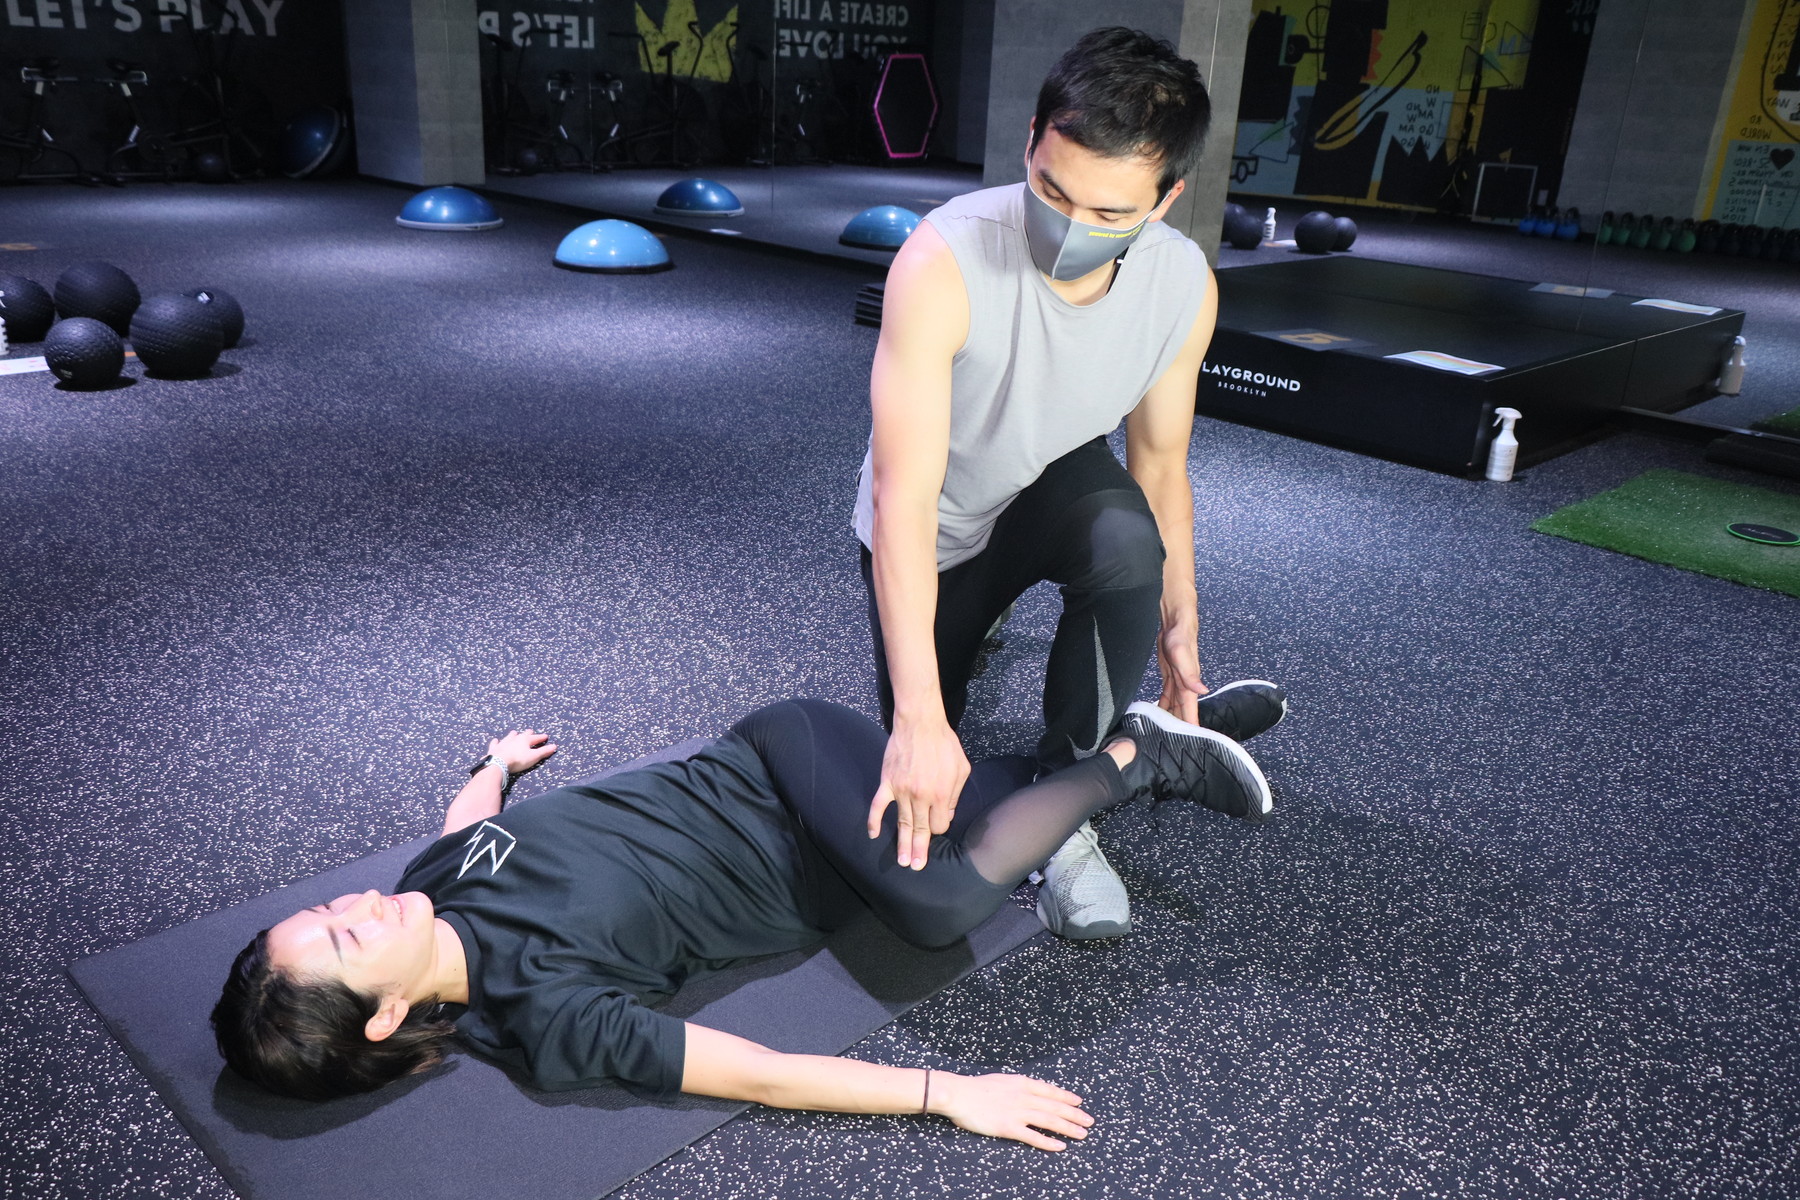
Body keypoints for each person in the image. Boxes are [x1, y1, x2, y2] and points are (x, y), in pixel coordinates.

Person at [212, 696, 1272, 1150]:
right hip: (842, 862)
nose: (359, 904)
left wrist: (494, 764)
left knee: (944, 901)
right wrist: (948, 1094)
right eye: (346, 937)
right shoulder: (547, 1016)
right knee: (981, 835)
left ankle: (1143, 753)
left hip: (784, 757)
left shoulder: (434, 876)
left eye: (327, 906)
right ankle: (1139, 735)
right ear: (386, 1014)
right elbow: (759, 1073)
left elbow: (466, 819)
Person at [854, 27, 1273, 941]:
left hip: (1051, 489)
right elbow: (902, 497)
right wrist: (919, 718)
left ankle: (1070, 798)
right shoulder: (942, 259)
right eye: (1052, 191)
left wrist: (1178, 621)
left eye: (1112, 213)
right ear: (1030, 143)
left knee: (1127, 541)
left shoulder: (1182, 285)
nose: (1073, 226)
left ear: (1168, 197)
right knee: (925, 782)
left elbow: (1158, 463)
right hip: (940, 524)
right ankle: (1118, 748)